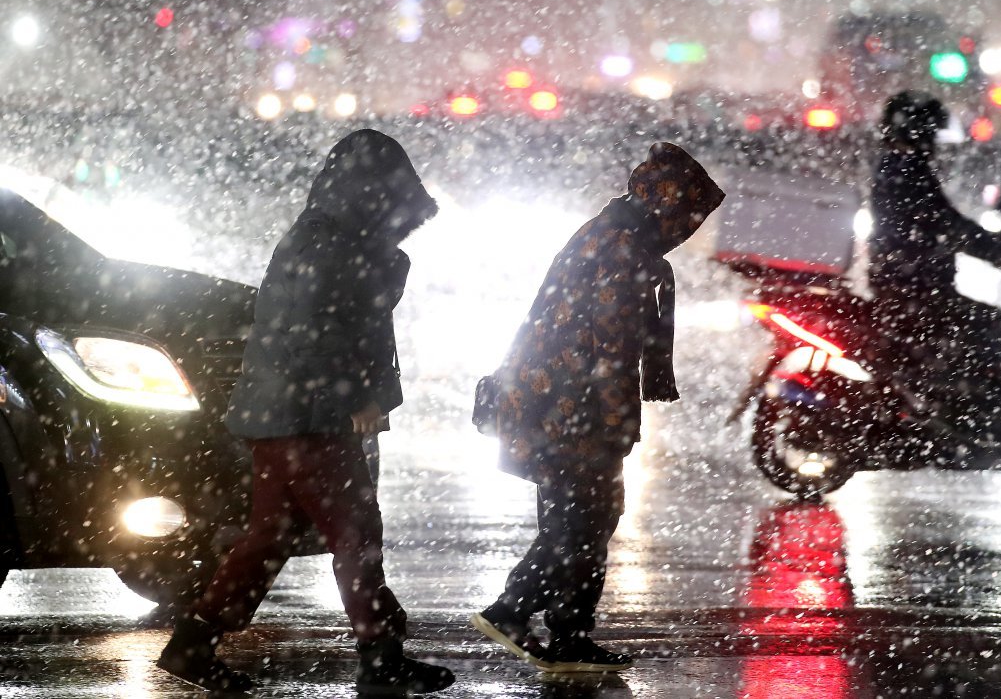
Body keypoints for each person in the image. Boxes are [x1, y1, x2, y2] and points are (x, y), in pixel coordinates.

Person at [156, 129, 454, 696]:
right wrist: (356, 395)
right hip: (307, 416)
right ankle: (380, 653)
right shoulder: (330, 245)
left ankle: (193, 644)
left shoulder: (330, 239)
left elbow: (343, 323)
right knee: (356, 531)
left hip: (286, 414)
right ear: (373, 195)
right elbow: (319, 332)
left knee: (270, 536)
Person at [470, 141, 725, 673]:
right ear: (667, 208)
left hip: (549, 400)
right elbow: (611, 349)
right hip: (570, 408)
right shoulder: (623, 251)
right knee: (585, 521)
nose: (688, 229)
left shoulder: (610, 233)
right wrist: (617, 424)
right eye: (688, 216)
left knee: (575, 520)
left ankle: (568, 635)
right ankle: (513, 610)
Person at [868, 91, 1001, 416]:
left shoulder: (900, 166)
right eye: (930, 134)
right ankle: (983, 411)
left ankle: (963, 404)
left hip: (911, 283)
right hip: (914, 287)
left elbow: (945, 223)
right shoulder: (905, 172)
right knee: (1000, 326)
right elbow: (948, 225)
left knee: (984, 329)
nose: (935, 143)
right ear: (919, 132)